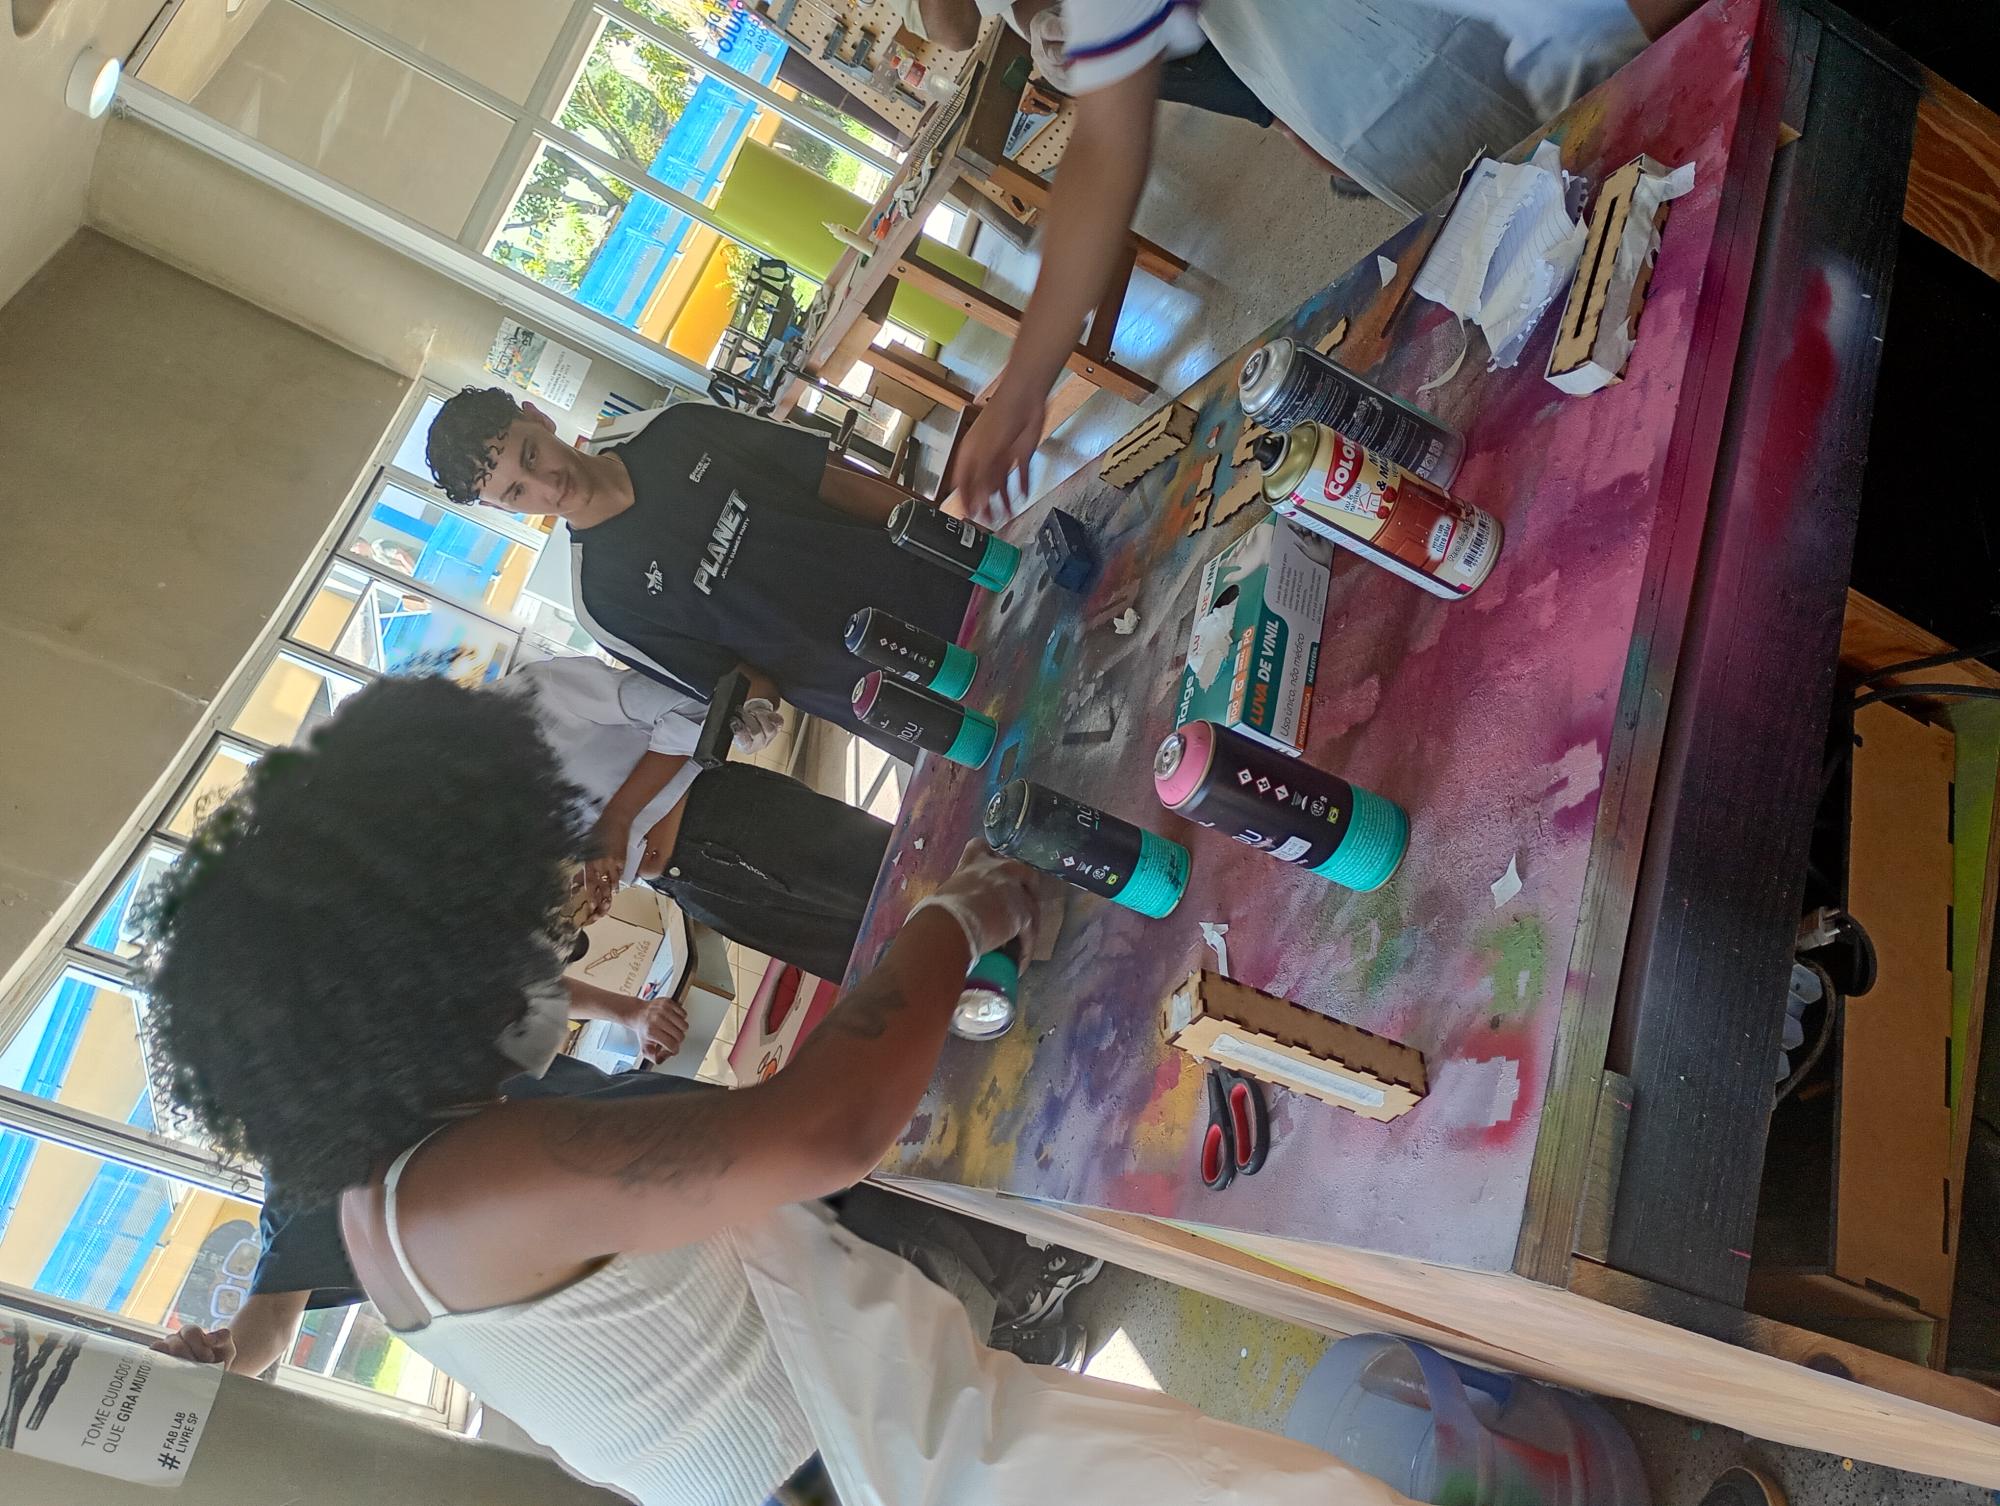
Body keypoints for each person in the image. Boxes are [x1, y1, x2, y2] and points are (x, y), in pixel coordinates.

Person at [145, 674, 1419, 1506]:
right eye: (508, 928)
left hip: (861, 1433)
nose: (552, 941)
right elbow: (823, 1129)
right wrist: (947, 920)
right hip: (883, 1472)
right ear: (405, 981)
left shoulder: (404, 1183)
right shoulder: (457, 1191)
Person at [949, 0, 1695, 514]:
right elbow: (1104, 132)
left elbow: (1107, 144)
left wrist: (1024, 383)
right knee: (1562, 258)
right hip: (1368, 75)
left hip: (1500, 38)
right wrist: (1024, 383)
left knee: (1673, 165)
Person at [424, 388, 971, 760]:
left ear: (539, 417)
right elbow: (740, 680)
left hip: (941, 586)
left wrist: (957, 539)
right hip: (892, 698)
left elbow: (838, 483)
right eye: (517, 492)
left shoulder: (680, 429)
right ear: (499, 509)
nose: (547, 485)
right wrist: (752, 712)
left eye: (531, 455)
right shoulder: (603, 601)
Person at [496, 652, 894, 985]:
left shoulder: (530, 697)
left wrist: (617, 817)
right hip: (690, 890)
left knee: (901, 881)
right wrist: (583, 890)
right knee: (877, 969)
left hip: (730, 818)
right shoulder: (490, 814)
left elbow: (688, 707)